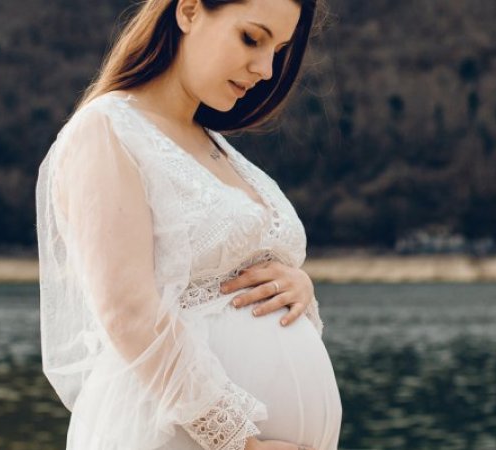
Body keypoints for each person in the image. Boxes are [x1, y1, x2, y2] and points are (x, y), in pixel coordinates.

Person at [35, 0, 342, 449]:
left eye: (278, 49)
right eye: (251, 39)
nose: (266, 69)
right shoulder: (106, 130)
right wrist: (242, 443)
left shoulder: (212, 142)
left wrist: (297, 289)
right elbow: (128, 312)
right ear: (190, 10)